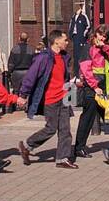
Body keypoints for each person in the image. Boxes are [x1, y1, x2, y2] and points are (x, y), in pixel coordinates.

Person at [17, 30, 78, 168]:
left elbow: (66, 79)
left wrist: (71, 96)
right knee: (51, 128)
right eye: (65, 40)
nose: (67, 42)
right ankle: (27, 145)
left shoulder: (64, 57)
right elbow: (31, 76)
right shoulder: (44, 58)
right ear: (56, 42)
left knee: (65, 130)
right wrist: (23, 95)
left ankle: (62, 159)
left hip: (64, 98)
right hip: (50, 100)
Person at [74, 24, 109, 159]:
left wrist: (105, 47)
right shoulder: (87, 48)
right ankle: (79, 147)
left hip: (104, 88)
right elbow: (86, 70)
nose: (102, 38)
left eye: (105, 36)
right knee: (87, 118)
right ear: (95, 34)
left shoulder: (104, 49)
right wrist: (95, 87)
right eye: (100, 34)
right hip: (92, 88)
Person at [68, 2, 90, 77]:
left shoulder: (83, 16)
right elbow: (71, 26)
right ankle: (76, 74)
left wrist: (84, 34)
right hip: (75, 37)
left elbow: (88, 26)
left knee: (81, 56)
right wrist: (71, 35)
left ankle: (80, 75)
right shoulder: (73, 17)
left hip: (81, 38)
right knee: (76, 56)